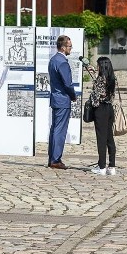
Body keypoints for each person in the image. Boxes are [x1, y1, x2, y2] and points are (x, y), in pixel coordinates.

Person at [48, 35, 77, 170]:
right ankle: (56, 159)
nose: (71, 49)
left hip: (55, 98)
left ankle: (52, 157)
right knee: (60, 130)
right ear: (63, 47)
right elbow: (68, 83)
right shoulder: (63, 62)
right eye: (70, 46)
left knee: (54, 129)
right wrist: (73, 96)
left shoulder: (53, 60)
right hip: (63, 99)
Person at [88, 57, 117, 176]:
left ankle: (101, 166)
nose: (97, 67)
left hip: (100, 110)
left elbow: (96, 96)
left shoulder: (100, 79)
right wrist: (93, 75)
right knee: (109, 137)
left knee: (101, 138)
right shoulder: (112, 78)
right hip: (109, 108)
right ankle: (112, 166)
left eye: (98, 65)